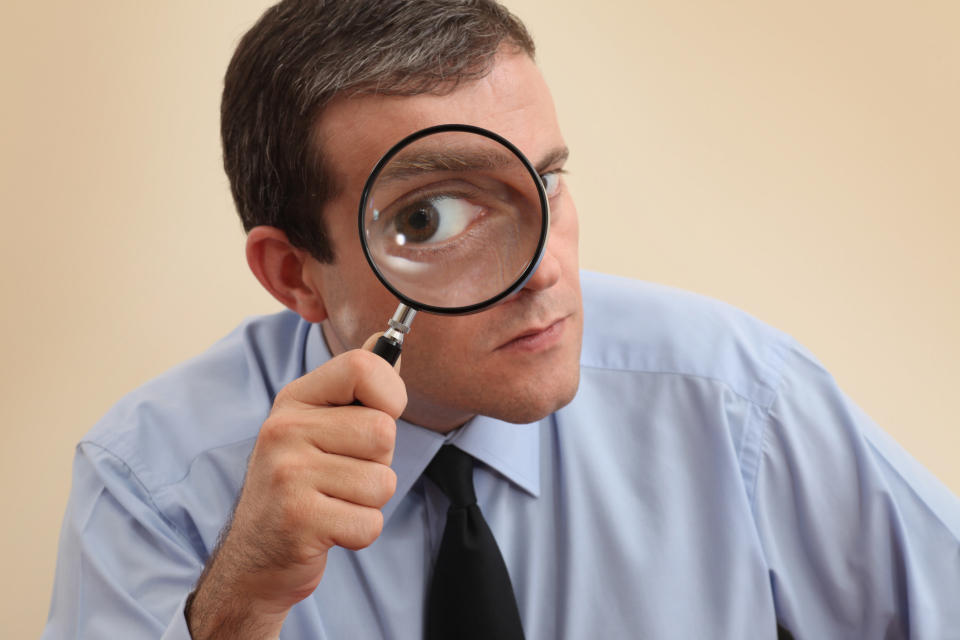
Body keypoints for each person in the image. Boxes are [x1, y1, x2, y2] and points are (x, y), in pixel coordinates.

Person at [43, 1, 960, 638]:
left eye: (546, 182)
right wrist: (237, 609)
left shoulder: (736, 398)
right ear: (296, 276)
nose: (546, 270)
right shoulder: (152, 483)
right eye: (430, 217)